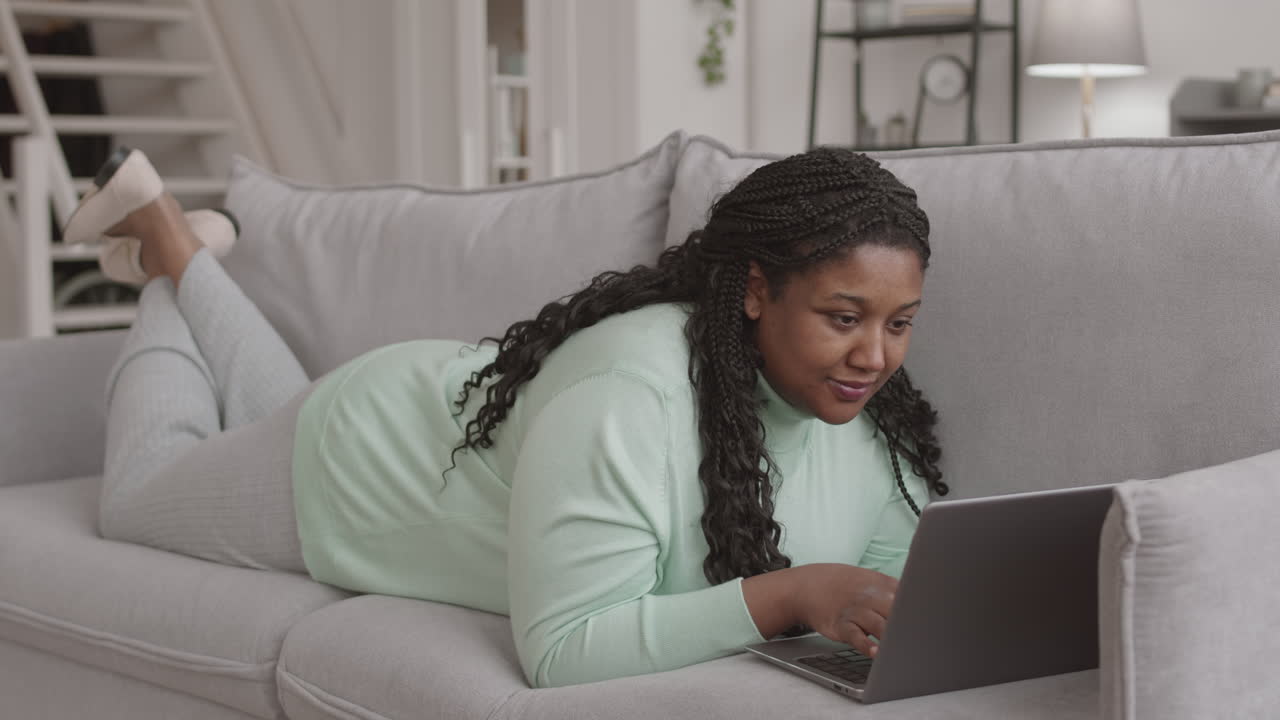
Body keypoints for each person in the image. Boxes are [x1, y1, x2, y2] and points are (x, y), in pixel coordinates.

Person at [72, 145, 947, 690]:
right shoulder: (629, 400)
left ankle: (185, 253)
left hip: (437, 408)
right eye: (844, 318)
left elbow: (889, 589)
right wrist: (790, 593)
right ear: (755, 290)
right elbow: (562, 649)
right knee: (136, 497)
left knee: (263, 407)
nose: (876, 356)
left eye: (897, 323)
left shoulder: (872, 427)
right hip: (360, 464)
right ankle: (167, 254)